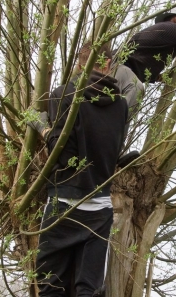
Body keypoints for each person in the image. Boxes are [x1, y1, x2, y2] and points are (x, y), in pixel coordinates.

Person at [31, 42, 128, 297]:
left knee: (51, 287)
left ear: (79, 64)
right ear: (108, 64)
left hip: (62, 206)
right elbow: (113, 148)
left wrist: (41, 126)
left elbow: (61, 151)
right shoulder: (121, 105)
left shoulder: (63, 95)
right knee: (89, 289)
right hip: (99, 209)